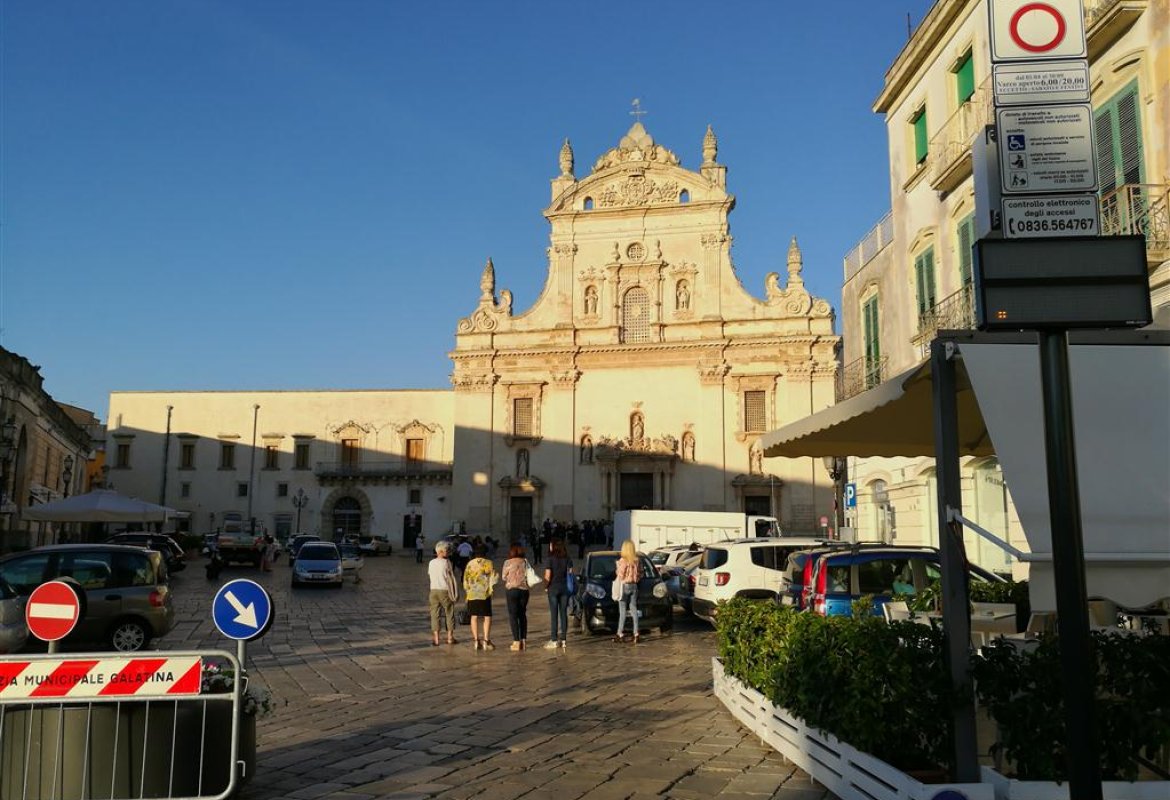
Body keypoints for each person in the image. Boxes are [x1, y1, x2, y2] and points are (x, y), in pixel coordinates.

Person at [462, 544, 499, 651]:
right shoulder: (488, 563)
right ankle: (486, 640)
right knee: (487, 617)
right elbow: (493, 578)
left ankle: (476, 640)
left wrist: (467, 590)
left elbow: (465, 579)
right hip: (484, 594)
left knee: (474, 617)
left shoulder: (469, 564)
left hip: (472, 594)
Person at [543, 539, 574, 649]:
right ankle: (564, 639)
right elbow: (570, 573)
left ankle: (554, 639)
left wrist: (545, 586)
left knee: (554, 614)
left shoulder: (550, 559)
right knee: (563, 613)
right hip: (564, 588)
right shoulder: (567, 558)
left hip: (553, 588)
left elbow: (548, 575)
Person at [501, 543, 532, 651]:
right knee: (522, 614)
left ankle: (516, 641)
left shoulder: (508, 562)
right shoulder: (525, 562)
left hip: (512, 590)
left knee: (513, 615)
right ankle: (523, 640)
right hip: (524, 590)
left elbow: (504, 577)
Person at [428, 542, 459, 646]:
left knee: (434, 614)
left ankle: (436, 638)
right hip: (444, 590)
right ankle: (450, 637)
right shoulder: (447, 562)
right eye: (447, 550)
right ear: (441, 551)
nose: (448, 552)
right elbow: (450, 576)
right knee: (449, 612)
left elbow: (430, 574)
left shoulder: (431, 562)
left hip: (433, 590)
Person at [615, 540, 642, 643]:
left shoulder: (623, 560)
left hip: (624, 586)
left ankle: (620, 633)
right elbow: (640, 573)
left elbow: (620, 575)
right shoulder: (637, 560)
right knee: (634, 610)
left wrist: (617, 568)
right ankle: (636, 633)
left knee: (622, 611)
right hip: (634, 586)